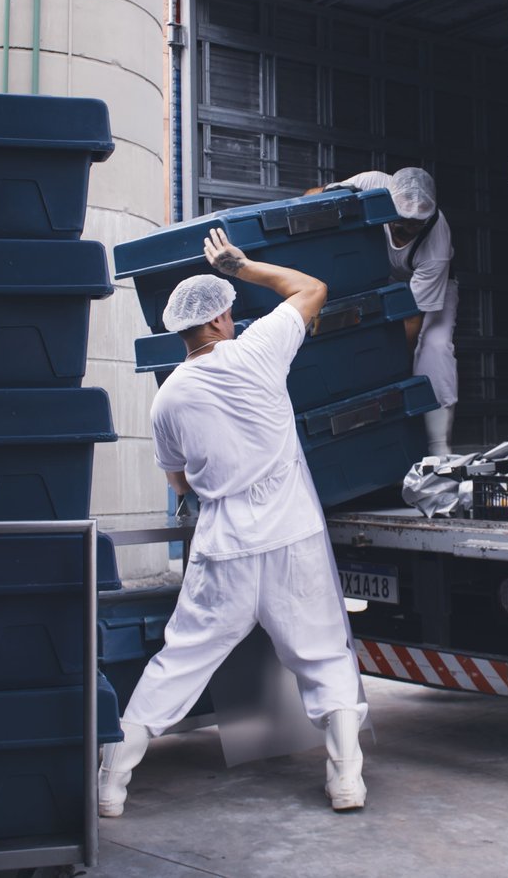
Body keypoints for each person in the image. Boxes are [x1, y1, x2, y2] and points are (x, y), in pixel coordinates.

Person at [99, 227, 369, 817]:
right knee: (322, 656)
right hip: (291, 539)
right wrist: (241, 267)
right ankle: (346, 777)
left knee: (182, 660)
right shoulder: (257, 352)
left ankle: (113, 780)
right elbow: (312, 289)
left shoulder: (167, 398)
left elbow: (181, 484)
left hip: (224, 547)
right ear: (221, 319)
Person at [325, 167, 458, 455]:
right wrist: (332, 195)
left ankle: (438, 447)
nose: (404, 228)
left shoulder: (436, 244)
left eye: (414, 224)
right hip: (383, 278)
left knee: (435, 347)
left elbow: (411, 317)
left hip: (431, 290)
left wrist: (393, 369)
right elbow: (313, 197)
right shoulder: (372, 183)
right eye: (400, 218)